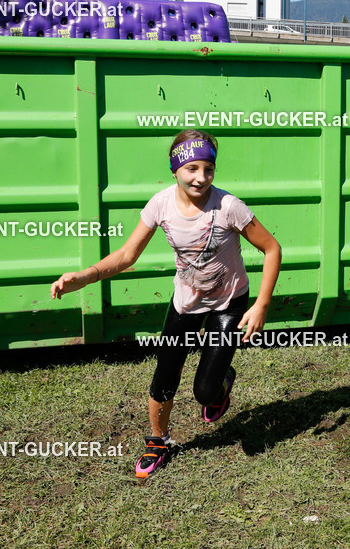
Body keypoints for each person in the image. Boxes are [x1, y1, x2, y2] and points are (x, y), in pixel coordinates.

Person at [50, 130, 281, 477]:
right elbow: (127, 255)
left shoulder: (229, 206)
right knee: (164, 376)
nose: (200, 177)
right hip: (185, 303)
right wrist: (84, 276)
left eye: (208, 168)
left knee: (205, 393)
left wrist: (261, 305)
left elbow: (272, 248)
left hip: (229, 302)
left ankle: (219, 383)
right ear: (175, 169)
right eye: (191, 168)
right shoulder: (160, 205)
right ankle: (158, 441)